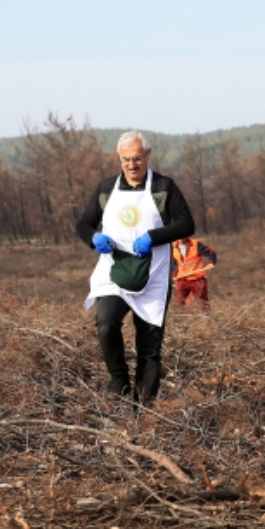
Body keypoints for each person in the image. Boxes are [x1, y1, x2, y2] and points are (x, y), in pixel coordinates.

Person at [77, 131, 195, 403]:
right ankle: (118, 381)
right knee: (106, 323)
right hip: (113, 270)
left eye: (138, 158)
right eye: (126, 159)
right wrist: (93, 239)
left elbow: (186, 224)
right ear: (119, 159)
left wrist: (152, 237)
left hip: (153, 272)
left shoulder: (164, 187)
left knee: (149, 347)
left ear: (148, 156)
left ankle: (144, 409)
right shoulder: (106, 189)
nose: (132, 165)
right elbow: (83, 223)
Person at [172, 237, 217, 310]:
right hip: (182, 280)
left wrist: (211, 262)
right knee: (178, 304)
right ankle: (179, 320)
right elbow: (173, 264)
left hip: (197, 280)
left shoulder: (196, 244)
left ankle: (206, 320)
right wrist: (174, 275)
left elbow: (211, 252)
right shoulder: (172, 247)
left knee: (202, 304)